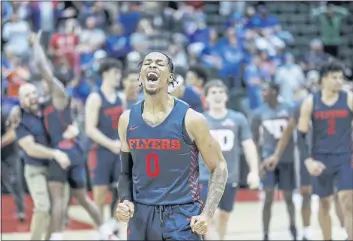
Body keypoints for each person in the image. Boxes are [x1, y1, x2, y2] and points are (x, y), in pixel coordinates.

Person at [115, 52, 228, 240]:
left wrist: (207, 214)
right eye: (147, 63)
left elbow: (219, 166)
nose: (152, 66)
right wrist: (125, 201)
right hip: (141, 216)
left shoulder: (191, 119)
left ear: (170, 77)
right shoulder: (126, 119)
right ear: (141, 75)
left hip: (182, 214)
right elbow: (126, 172)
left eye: (159, 63)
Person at [30, 31, 111, 240]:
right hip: (74, 152)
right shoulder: (52, 102)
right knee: (82, 197)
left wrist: (36, 44)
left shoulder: (59, 94)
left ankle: (56, 237)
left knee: (57, 199)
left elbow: (43, 68)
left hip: (62, 153)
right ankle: (105, 232)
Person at [264, 84, 348, 240]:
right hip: (308, 158)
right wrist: (276, 155)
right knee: (307, 194)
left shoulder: (337, 108)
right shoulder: (301, 108)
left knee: (338, 194)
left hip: (332, 155)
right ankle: (306, 232)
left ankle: (344, 231)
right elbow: (288, 132)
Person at [297, 61, 353, 240]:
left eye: (340, 78)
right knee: (324, 204)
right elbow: (301, 135)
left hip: (345, 158)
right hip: (320, 158)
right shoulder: (310, 101)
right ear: (323, 80)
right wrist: (308, 160)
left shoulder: (349, 98)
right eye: (334, 78)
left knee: (348, 201)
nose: (339, 81)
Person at [198, 80, 260, 240]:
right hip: (206, 177)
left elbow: (248, 145)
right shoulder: (200, 121)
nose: (217, 96)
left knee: (224, 217)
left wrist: (254, 171)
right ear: (206, 98)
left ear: (226, 96)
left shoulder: (238, 119)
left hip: (229, 176)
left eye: (221, 92)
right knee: (210, 217)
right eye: (213, 93)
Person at [13, 83, 70, 240]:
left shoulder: (47, 108)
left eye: (33, 93)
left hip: (56, 168)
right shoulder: (19, 120)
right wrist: (55, 153)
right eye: (27, 95)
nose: (32, 97)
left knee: (59, 209)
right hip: (35, 169)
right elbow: (30, 148)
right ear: (20, 100)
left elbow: (63, 98)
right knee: (43, 208)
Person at [251, 82, 297, 241]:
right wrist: (257, 164)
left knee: (289, 197)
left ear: (275, 91)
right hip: (267, 161)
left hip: (287, 159)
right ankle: (265, 234)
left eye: (265, 89)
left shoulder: (289, 108)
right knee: (268, 198)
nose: (262, 93)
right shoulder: (258, 113)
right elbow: (254, 141)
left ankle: (293, 227)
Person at [85, 58, 123, 227]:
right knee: (100, 195)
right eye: (116, 73)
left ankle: (113, 228)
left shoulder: (120, 98)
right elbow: (90, 129)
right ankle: (99, 230)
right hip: (99, 151)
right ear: (105, 74)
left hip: (118, 151)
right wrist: (110, 144)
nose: (119, 76)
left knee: (121, 192)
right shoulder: (95, 97)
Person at [1, 102, 25, 223]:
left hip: (10, 154)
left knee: (14, 182)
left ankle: (21, 211)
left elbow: (12, 133)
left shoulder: (4, 113)